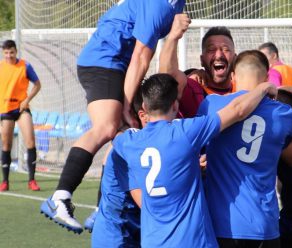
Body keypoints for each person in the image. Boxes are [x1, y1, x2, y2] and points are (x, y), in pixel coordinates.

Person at [40, 0, 186, 233]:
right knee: (107, 127)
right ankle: (60, 197)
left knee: (125, 134)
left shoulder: (175, 4)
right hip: (104, 61)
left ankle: (101, 210)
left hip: (117, 64)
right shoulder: (158, 4)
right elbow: (140, 55)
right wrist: (127, 103)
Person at [114, 73, 277, 247]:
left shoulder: (128, 142)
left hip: (154, 242)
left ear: (145, 107)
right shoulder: (185, 132)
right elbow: (238, 110)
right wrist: (263, 87)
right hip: (193, 241)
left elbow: (116, 135)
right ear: (175, 105)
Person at [198, 50, 292, 248]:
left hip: (224, 224)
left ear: (233, 76)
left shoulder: (212, 104)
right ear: (267, 78)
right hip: (264, 226)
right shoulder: (282, 113)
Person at [90, 91, 147, 247]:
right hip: (117, 237)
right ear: (142, 116)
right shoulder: (129, 146)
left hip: (134, 232)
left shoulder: (130, 141)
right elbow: (143, 200)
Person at [164, 25, 237, 118]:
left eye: (225, 49)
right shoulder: (191, 88)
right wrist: (173, 37)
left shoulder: (246, 89)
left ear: (235, 58)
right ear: (202, 60)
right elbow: (167, 79)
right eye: (211, 50)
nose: (219, 55)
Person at [0, 39, 41, 192]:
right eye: (6, 53)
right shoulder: (1, 67)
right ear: (3, 53)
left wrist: (27, 100)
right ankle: (5, 181)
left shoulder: (25, 65)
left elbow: (37, 84)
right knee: (6, 144)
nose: (9, 55)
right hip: (5, 110)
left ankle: (32, 180)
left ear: (16, 51)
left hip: (22, 108)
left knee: (30, 141)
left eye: (11, 52)